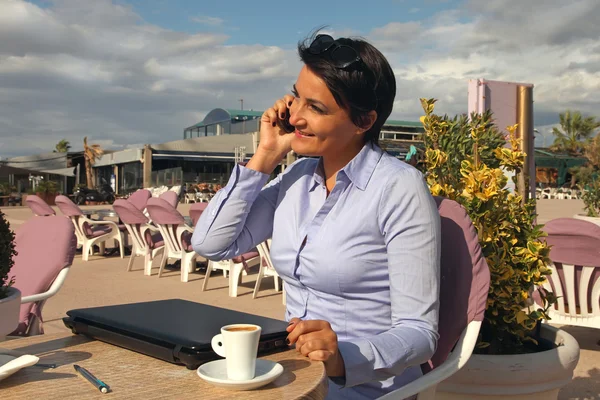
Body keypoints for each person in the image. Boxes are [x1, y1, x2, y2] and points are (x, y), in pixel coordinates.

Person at [192, 31, 441, 399]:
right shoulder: (296, 178)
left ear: (363, 121)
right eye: (296, 98)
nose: (295, 117)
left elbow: (420, 332)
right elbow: (211, 244)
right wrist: (265, 156)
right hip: (292, 375)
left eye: (316, 108)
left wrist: (342, 357)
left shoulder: (399, 189)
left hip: (365, 387)